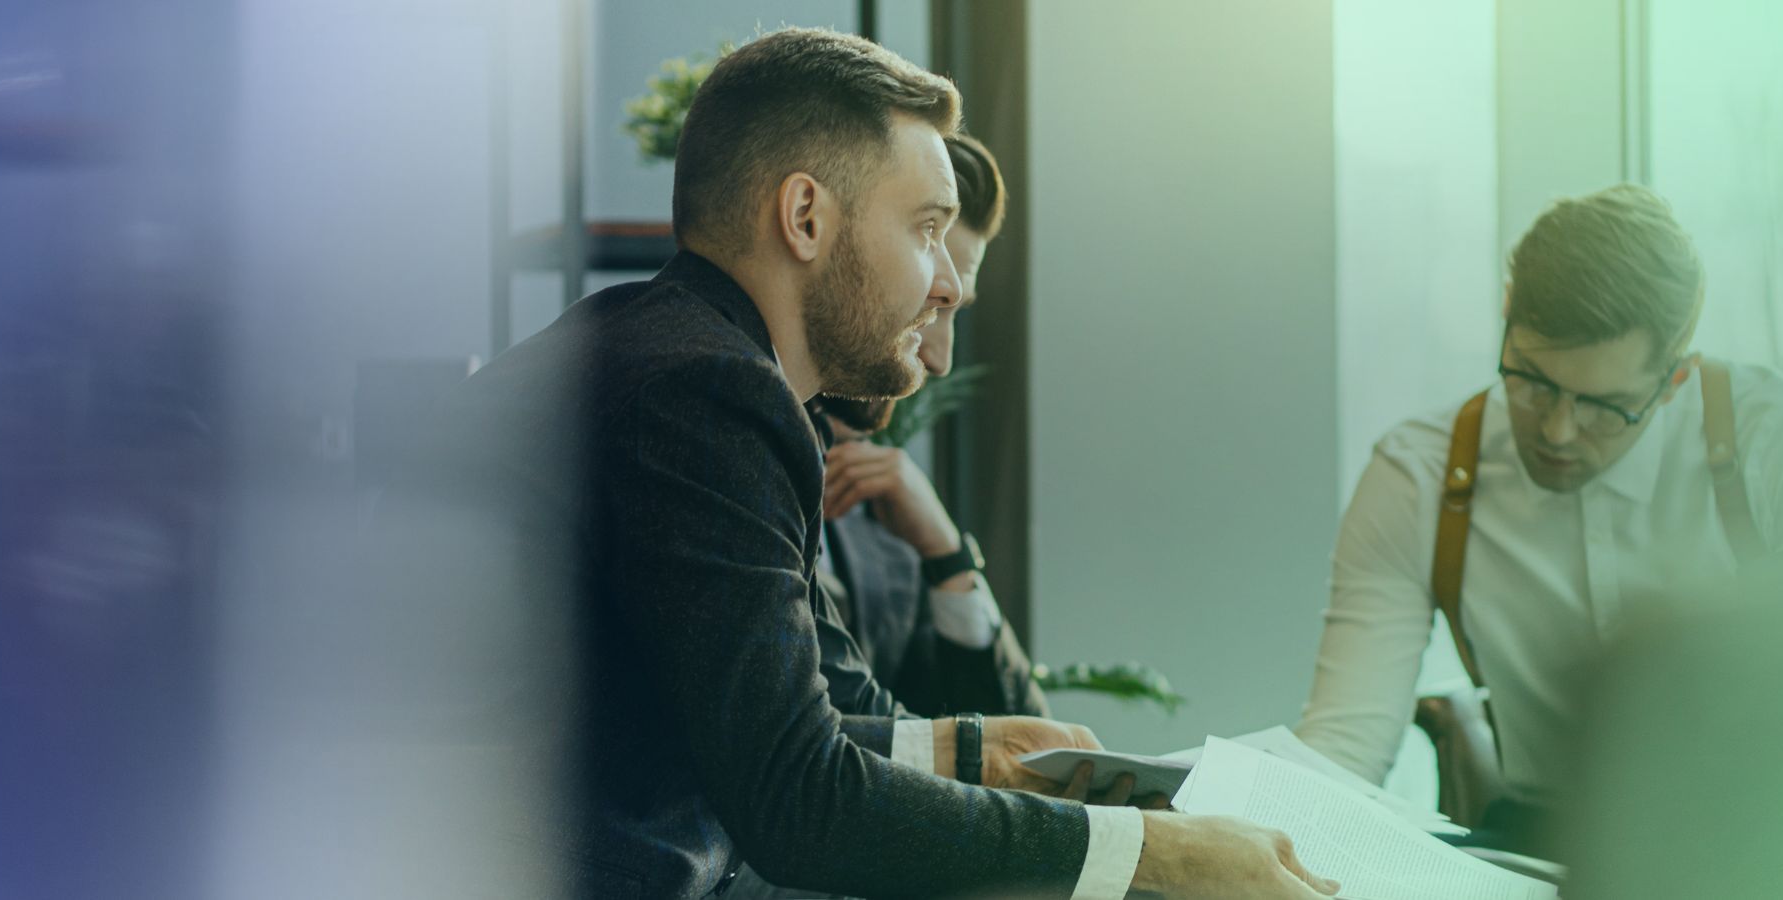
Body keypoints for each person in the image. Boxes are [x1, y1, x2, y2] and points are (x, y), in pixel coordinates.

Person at [387, 28, 1337, 900]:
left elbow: (786, 722)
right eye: (927, 228)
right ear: (805, 216)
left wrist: (974, 749)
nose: (950, 282)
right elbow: (799, 800)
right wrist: (1152, 857)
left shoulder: (655, 348)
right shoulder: (704, 395)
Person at [1296, 184, 1783, 855]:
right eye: (1533, 381)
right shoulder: (1421, 472)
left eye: (1607, 406)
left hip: (1756, 846)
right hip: (1538, 850)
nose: (1559, 430)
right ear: (1507, 315)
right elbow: (1343, 749)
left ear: (1675, 379)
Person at [810, 133, 1049, 720]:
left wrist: (947, 557)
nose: (939, 359)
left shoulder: (883, 527)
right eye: (931, 302)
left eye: (952, 310)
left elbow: (1014, 736)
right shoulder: (714, 458)